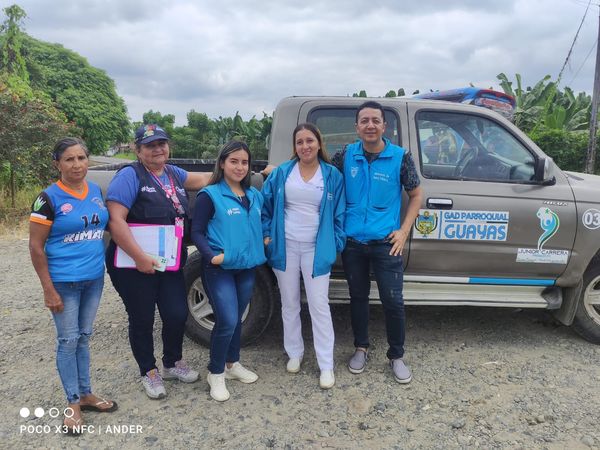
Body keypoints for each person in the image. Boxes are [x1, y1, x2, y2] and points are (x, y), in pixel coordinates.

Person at [105, 124, 210, 399]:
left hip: (168, 262)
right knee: (142, 318)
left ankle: (172, 363)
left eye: (162, 143)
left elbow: (203, 179)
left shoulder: (173, 173)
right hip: (134, 264)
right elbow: (116, 221)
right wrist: (139, 257)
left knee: (176, 313)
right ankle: (148, 371)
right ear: (137, 150)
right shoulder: (130, 176)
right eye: (150, 145)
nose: (158, 149)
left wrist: (242, 172)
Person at [330, 101, 423, 384]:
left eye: (375, 120)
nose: (370, 125)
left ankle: (396, 355)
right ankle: (361, 348)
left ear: (384, 126)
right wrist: (279, 169)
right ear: (357, 127)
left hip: (386, 243)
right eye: (364, 121)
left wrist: (403, 231)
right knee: (358, 298)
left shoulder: (400, 157)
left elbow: (416, 195)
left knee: (393, 301)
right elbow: (316, 172)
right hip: (353, 243)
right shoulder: (345, 155)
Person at [29, 137, 117, 435]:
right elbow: (36, 247)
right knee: (68, 340)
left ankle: (86, 393)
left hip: (94, 279)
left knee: (83, 337)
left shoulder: (95, 191)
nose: (77, 165)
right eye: (69, 159)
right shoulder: (47, 199)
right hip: (63, 282)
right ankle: (72, 404)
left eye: (81, 158)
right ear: (58, 164)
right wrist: (48, 289)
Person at [261, 123, 345, 389]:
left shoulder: (331, 175)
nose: (305, 146)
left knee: (319, 305)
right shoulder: (282, 173)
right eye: (300, 142)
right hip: (285, 247)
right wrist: (267, 235)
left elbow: (340, 214)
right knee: (289, 303)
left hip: (315, 250)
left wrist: (335, 243)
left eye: (310, 140)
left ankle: (326, 365)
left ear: (319, 143)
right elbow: (265, 206)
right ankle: (294, 353)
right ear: (294, 147)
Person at [191, 140, 265, 401]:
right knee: (228, 320)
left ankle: (232, 364)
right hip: (220, 269)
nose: (240, 167)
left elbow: (265, 219)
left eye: (244, 162)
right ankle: (216, 372)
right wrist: (212, 256)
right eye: (234, 161)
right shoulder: (209, 195)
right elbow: (196, 232)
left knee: (237, 320)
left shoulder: (254, 195)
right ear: (222, 163)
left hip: (246, 267)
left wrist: (266, 236)